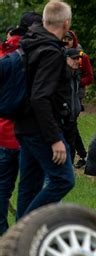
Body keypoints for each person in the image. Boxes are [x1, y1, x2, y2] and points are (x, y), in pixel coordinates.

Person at [14, 1, 75, 220]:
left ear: (44, 20)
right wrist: (55, 138)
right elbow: (40, 97)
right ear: (66, 23)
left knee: (29, 186)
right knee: (64, 179)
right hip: (41, 127)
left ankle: (17, 245)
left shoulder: (30, 42)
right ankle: (26, 229)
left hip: (23, 124)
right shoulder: (50, 51)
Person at [0, 12, 42, 235]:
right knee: (29, 189)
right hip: (29, 133)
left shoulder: (4, 53)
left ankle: (3, 235)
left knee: (2, 188)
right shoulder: (37, 54)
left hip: (4, 133)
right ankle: (23, 235)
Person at [63, 30, 94, 168]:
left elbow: (90, 77)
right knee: (71, 127)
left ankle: (79, 156)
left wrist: (77, 81)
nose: (66, 41)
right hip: (65, 95)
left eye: (69, 39)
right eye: (64, 38)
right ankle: (83, 154)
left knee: (71, 126)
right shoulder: (59, 53)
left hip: (76, 95)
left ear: (73, 40)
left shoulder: (82, 56)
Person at [63, 47, 83, 163]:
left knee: (71, 149)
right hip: (63, 118)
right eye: (74, 58)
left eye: (78, 58)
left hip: (72, 118)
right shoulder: (62, 75)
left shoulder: (75, 74)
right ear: (66, 59)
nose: (77, 61)